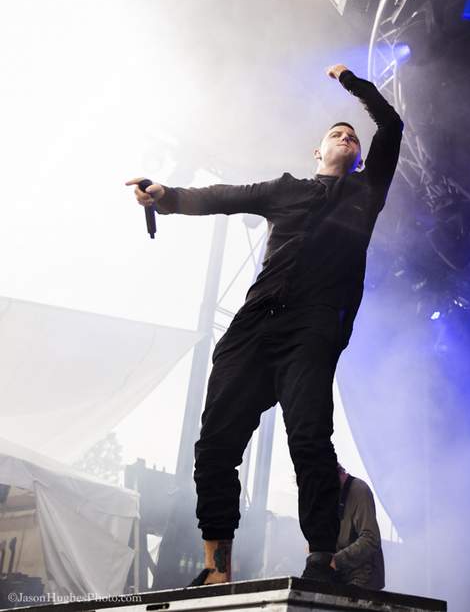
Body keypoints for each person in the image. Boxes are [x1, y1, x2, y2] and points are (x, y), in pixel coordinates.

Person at [126, 64, 403, 586]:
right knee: (214, 446)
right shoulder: (284, 189)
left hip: (313, 329)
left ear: (361, 157)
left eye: (352, 136)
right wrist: (169, 196)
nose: (346, 136)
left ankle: (320, 560)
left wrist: (350, 81)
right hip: (254, 325)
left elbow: (391, 125)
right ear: (317, 152)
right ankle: (217, 567)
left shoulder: (367, 192)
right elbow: (224, 196)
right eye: (336, 133)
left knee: (310, 440)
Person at [321, 463, 385, 590]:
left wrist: (336, 561)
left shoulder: (359, 490)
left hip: (362, 580)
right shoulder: (330, 495)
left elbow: (371, 538)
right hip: (340, 578)